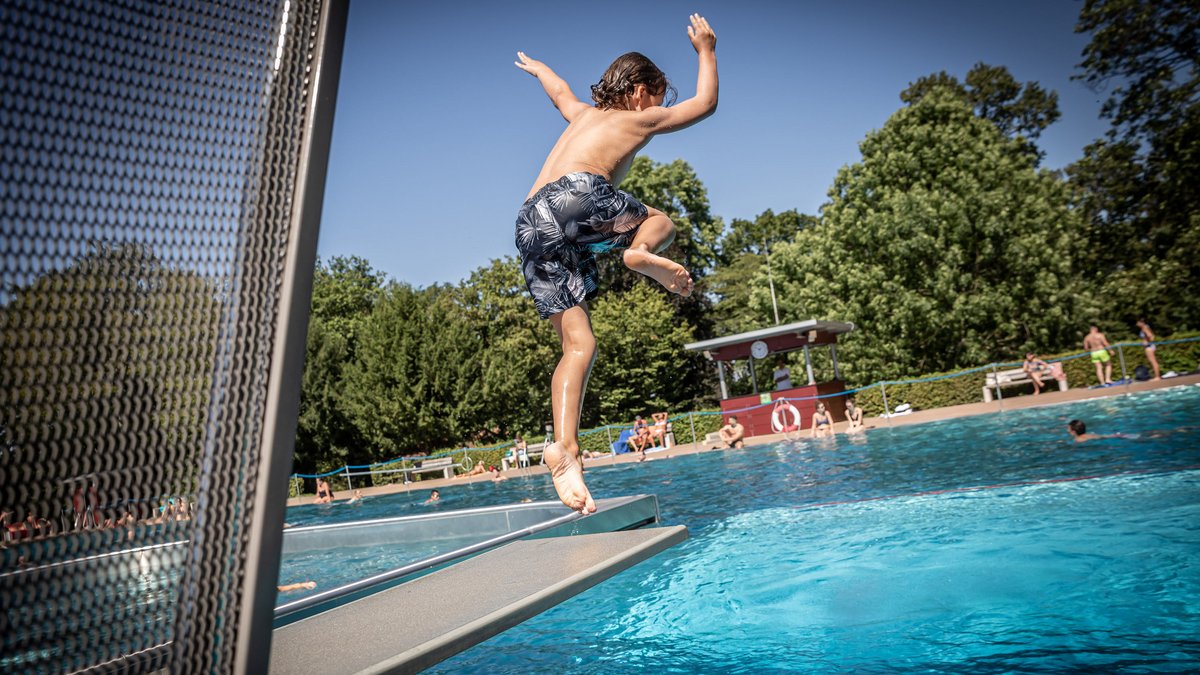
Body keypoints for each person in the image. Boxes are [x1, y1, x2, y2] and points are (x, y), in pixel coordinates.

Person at [513, 14, 718, 514]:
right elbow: (705, 105)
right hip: (578, 198)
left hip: (531, 222)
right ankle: (639, 251)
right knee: (661, 222)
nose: (658, 108)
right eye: (657, 95)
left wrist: (540, 69)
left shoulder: (582, 114)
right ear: (638, 91)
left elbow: (560, 92)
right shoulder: (635, 118)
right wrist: (706, 50)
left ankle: (564, 450)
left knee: (579, 345)